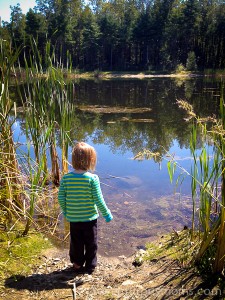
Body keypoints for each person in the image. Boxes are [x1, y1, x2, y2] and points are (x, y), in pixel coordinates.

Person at [58, 141, 113, 274]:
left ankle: (77, 264)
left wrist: (67, 212)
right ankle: (90, 266)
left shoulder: (66, 178)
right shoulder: (92, 179)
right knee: (91, 243)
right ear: (91, 160)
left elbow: (61, 198)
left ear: (73, 159)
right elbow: (99, 200)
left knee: (76, 242)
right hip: (89, 219)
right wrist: (107, 214)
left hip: (74, 219)